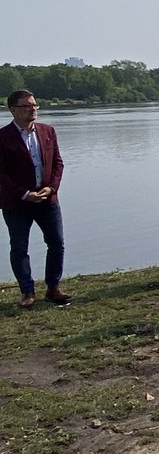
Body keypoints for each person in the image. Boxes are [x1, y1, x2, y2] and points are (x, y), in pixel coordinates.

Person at [0, 90, 70, 308]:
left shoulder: (48, 131)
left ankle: (53, 287)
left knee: (56, 242)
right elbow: (1, 174)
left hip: (47, 199)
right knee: (19, 247)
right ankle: (27, 291)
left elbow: (58, 163)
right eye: (27, 106)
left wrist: (51, 188)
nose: (33, 110)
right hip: (17, 202)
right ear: (13, 109)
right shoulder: (3, 137)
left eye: (34, 105)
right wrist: (24, 194)